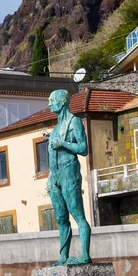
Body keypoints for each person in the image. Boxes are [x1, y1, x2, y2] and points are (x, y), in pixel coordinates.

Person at [46, 89, 92, 266]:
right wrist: (50, 178)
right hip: (55, 176)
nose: (49, 103)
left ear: (62, 101)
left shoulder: (74, 122)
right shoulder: (56, 128)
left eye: (52, 100)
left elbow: (83, 148)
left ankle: (85, 256)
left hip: (69, 171)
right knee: (61, 218)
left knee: (77, 214)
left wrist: (63, 143)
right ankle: (63, 257)